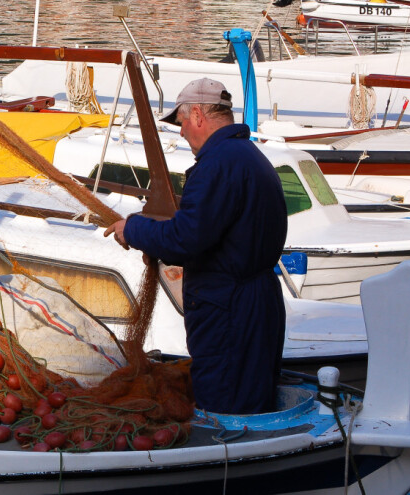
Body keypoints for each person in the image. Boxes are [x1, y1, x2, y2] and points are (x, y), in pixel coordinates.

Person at [104, 78, 288, 415]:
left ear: (199, 115)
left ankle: (227, 466)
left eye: (182, 122)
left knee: (226, 406)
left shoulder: (216, 165)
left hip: (229, 310)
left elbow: (186, 240)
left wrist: (134, 229)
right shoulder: (249, 156)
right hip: (256, 302)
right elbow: (208, 229)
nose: (182, 132)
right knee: (252, 399)